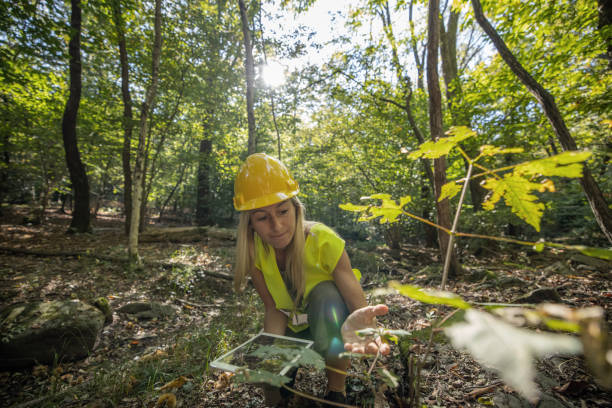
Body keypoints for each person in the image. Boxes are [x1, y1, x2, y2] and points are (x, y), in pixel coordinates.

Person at [233, 153, 390, 406]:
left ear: (296, 209)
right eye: (262, 217)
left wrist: (365, 326)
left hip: (332, 327)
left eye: (283, 211)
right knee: (272, 386)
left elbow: (355, 304)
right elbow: (274, 309)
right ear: (250, 224)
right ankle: (282, 388)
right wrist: (271, 354)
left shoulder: (322, 240)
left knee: (327, 295)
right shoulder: (255, 254)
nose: (277, 225)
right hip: (294, 331)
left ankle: (335, 392)